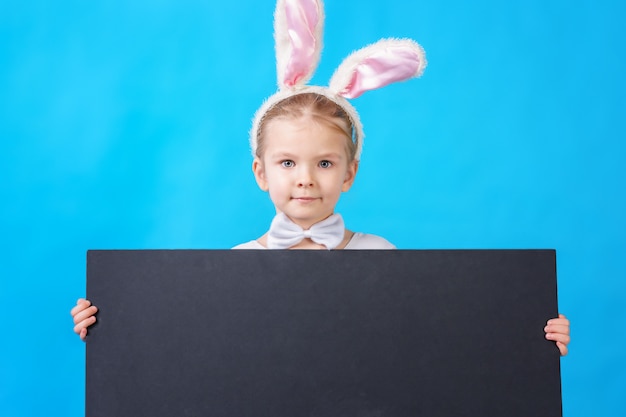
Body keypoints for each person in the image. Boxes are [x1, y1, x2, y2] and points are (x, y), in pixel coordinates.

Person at [71, 0, 571, 355]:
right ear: (260, 173)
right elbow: (191, 348)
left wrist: (530, 333)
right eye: (288, 163)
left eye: (325, 163)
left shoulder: (382, 257)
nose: (306, 179)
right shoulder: (234, 268)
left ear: (350, 173)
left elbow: (435, 340)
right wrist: (112, 322)